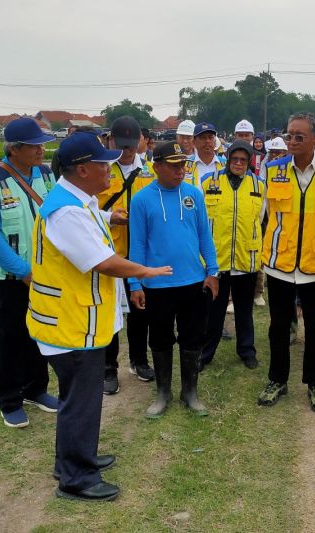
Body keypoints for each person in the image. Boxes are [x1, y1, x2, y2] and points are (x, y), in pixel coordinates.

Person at [26, 132, 171, 501]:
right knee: (81, 402)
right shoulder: (66, 212)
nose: (112, 168)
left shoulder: (78, 199)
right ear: (83, 168)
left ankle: (73, 459)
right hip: (70, 325)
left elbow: (92, 220)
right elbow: (103, 262)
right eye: (104, 163)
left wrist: (111, 216)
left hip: (72, 321)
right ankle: (76, 478)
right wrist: (146, 271)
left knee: (78, 399)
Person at [0, 117, 60, 429]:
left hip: (40, 275)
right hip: (6, 281)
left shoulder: (47, 175)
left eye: (42, 144)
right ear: (15, 148)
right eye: (35, 145)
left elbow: (62, 214)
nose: (42, 150)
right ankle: (9, 400)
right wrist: (22, 270)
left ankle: (36, 389)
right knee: (7, 340)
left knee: (37, 336)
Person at [258, 112, 315, 412]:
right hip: (279, 264)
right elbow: (264, 216)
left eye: (299, 136)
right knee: (279, 326)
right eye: (289, 134)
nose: (292, 140)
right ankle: (277, 379)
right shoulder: (272, 170)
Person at [128, 142, 220, 418]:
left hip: (193, 282)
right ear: (157, 167)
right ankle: (163, 392)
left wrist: (212, 272)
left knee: (193, 338)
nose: (181, 170)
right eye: (174, 165)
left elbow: (205, 235)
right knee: (160, 339)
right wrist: (135, 284)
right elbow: (137, 245)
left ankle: (189, 391)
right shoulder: (142, 199)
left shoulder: (194, 195)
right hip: (157, 285)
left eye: (183, 165)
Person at [95, 116, 156, 394]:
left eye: (131, 146)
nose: (127, 151)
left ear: (141, 142)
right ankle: (109, 368)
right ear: (110, 141)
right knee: (111, 313)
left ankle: (139, 360)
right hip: (111, 253)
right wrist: (110, 217)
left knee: (140, 310)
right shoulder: (101, 171)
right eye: (121, 145)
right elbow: (86, 210)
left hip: (141, 254)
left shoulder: (151, 171)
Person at [200, 140, 265, 370]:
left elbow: (261, 218)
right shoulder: (209, 182)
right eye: (234, 159)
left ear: (249, 162)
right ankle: (206, 353)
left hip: (246, 258)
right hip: (217, 259)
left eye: (243, 160)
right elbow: (201, 220)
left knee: (244, 310)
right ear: (228, 159)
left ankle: (247, 350)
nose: (238, 163)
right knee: (214, 312)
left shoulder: (259, 185)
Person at [184, 122, 225, 189]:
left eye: (210, 137)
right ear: (194, 142)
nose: (207, 141)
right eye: (203, 137)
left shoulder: (226, 164)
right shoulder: (184, 166)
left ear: (215, 141)